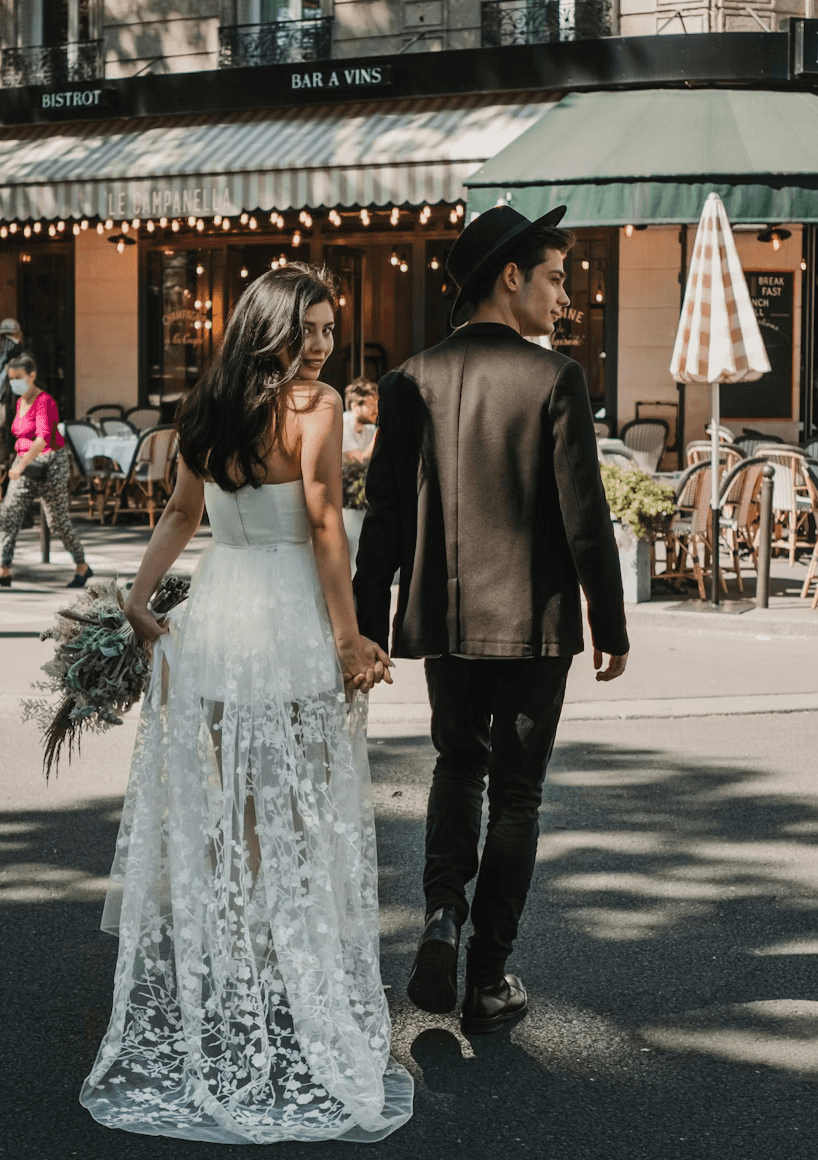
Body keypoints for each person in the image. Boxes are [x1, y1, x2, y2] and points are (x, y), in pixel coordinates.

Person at [83, 263, 410, 1143]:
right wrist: (348, 637)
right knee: (305, 806)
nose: (323, 344)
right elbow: (325, 518)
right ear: (272, 329)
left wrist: (139, 597)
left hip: (221, 617)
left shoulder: (206, 405)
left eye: (329, 329)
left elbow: (183, 517)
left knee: (244, 811)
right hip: (291, 616)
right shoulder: (317, 407)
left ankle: (243, 971)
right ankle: (290, 972)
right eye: (310, 329)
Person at [353, 205, 629, 1037]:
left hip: (442, 617)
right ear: (510, 277)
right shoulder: (556, 379)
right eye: (555, 278)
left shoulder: (407, 382)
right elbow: (587, 516)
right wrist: (610, 624)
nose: (564, 297)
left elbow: (386, 521)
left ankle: (441, 915)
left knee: (455, 766)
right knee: (518, 793)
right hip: (536, 620)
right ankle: (489, 976)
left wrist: (366, 627)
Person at [0, 354, 91, 589]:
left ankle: (82, 566)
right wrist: (20, 463)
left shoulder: (45, 401)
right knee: (9, 512)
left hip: (51, 462)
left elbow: (41, 440)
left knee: (56, 521)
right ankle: (3, 568)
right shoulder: (19, 403)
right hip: (26, 463)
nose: (13, 383)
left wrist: (20, 465)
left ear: (32, 376)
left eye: (18, 378)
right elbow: (23, 438)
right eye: (10, 378)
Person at [0, 318, 24, 426]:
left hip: (15, 411)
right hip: (0, 409)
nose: (7, 340)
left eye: (11, 335)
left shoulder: (22, 357)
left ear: (18, 336)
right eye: (3, 336)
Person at [343, 377, 379, 462]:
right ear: (354, 405)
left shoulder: (369, 428)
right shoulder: (341, 425)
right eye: (372, 406)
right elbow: (358, 463)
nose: (377, 411)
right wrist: (377, 435)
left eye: (377, 406)